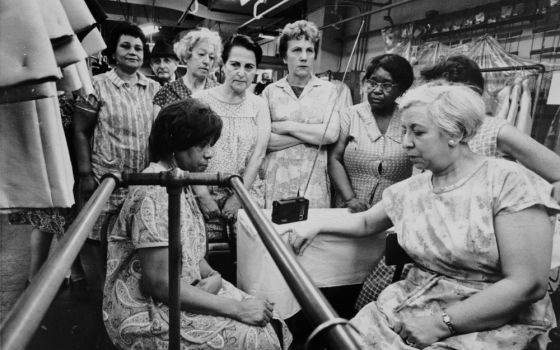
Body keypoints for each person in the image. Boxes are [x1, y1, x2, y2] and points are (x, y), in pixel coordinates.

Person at [284, 84, 559, 349]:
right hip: (412, 305)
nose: (406, 143)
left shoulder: (505, 181)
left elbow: (528, 283)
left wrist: (442, 324)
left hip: (492, 318)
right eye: (403, 131)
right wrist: (316, 225)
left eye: (417, 132)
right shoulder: (412, 189)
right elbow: (366, 221)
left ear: (456, 132)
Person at [103, 98, 292, 350]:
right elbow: (160, 284)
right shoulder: (155, 191)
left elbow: (187, 249)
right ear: (175, 145)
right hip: (147, 310)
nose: (210, 153)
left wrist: (214, 275)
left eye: (210, 144)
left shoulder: (179, 180)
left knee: (273, 321)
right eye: (202, 145)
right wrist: (237, 308)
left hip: (182, 289)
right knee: (256, 337)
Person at [73, 22, 159, 282]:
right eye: (126, 46)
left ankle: (127, 296)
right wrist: (85, 173)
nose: (133, 51)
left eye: (138, 47)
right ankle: (104, 296)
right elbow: (80, 131)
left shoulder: (154, 88)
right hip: (105, 180)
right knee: (101, 240)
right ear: (113, 52)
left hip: (142, 182)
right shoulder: (95, 86)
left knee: (135, 240)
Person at [328, 54, 415, 310]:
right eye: (372, 82)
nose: (376, 90)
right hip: (349, 208)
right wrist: (350, 198)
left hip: (389, 218)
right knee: (339, 273)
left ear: (402, 89)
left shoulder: (408, 120)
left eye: (387, 85)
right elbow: (334, 158)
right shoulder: (350, 115)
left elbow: (419, 166)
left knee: (379, 277)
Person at [421, 55, 560, 202]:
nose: (432, 99)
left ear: (471, 92)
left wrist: (522, 214)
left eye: (440, 91)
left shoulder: (495, 131)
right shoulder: (437, 130)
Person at [192, 35, 270, 243]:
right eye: (235, 64)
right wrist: (202, 195)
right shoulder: (199, 101)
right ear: (222, 65)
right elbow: (188, 152)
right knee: (204, 258)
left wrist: (239, 197)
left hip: (246, 196)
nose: (241, 73)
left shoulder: (259, 105)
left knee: (248, 262)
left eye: (249, 67)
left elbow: (258, 154)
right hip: (205, 196)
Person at [262, 20, 348, 208]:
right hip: (277, 182)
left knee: (312, 236)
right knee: (275, 235)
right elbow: (266, 140)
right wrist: (314, 135)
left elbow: (331, 134)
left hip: (314, 186)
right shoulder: (270, 92)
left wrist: (286, 126)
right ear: (285, 57)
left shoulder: (329, 90)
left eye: (309, 51)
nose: (304, 57)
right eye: (296, 50)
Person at [152, 28, 221, 115]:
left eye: (211, 57)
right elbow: (158, 128)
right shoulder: (165, 93)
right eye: (201, 54)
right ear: (186, 56)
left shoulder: (220, 92)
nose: (207, 61)